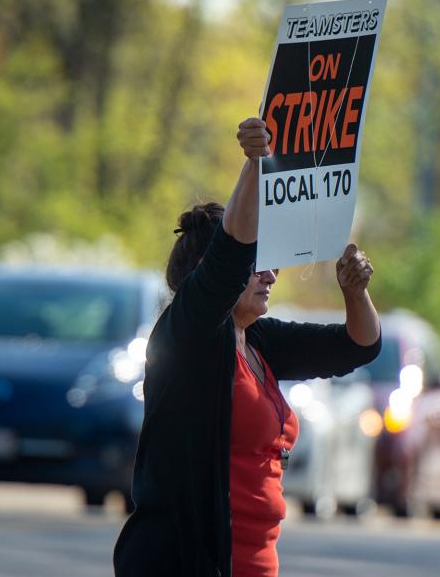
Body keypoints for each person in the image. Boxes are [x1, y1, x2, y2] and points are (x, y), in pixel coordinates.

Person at [113, 117, 381, 577]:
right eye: (258, 264)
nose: (271, 274)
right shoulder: (189, 337)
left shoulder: (259, 340)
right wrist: (257, 165)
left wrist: (355, 293)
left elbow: (358, 346)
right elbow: (228, 256)